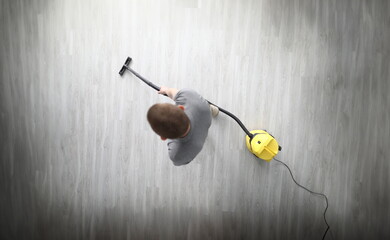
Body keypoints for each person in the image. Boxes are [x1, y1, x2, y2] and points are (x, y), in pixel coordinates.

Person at [146, 86, 219, 166]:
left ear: (163, 137)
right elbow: (172, 92)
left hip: (196, 143)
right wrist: (166, 90)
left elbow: (179, 162)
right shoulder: (187, 94)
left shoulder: (176, 154)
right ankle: (213, 110)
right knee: (205, 108)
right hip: (206, 115)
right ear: (181, 108)